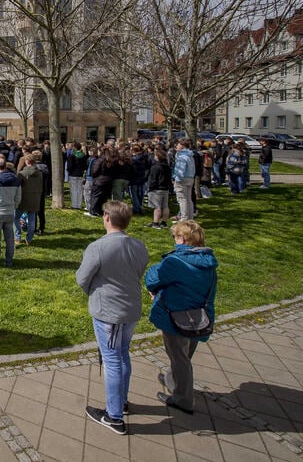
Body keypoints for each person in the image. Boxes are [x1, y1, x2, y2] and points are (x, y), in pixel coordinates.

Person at [76, 200, 150, 435]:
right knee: (121, 353)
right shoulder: (139, 245)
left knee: (112, 360)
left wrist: (96, 291)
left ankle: (114, 415)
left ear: (107, 218)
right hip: (130, 309)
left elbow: (82, 278)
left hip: (111, 312)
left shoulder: (98, 247)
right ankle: (120, 401)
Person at [146, 220, 218, 415]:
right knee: (184, 355)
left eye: (175, 237)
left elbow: (151, 278)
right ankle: (175, 380)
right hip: (199, 317)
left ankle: (183, 399)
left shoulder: (175, 261)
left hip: (176, 315)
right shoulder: (208, 262)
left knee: (179, 357)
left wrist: (157, 271)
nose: (174, 240)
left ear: (183, 239)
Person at [15, 151, 44, 245]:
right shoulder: (39, 173)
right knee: (32, 218)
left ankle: (17, 237)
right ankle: (29, 239)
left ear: (27, 161)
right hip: (35, 197)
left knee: (15, 217)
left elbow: (17, 186)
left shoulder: (22, 174)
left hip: (24, 198)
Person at [147, 149, 172, 228]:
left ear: (157, 156)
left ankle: (156, 223)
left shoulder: (155, 167)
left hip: (156, 189)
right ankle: (164, 222)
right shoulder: (167, 166)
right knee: (165, 206)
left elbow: (153, 179)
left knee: (157, 207)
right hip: (165, 188)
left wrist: (150, 188)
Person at [172, 139, 196, 219]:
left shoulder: (182, 156)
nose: (177, 147)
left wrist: (176, 179)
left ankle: (184, 218)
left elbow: (180, 170)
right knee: (188, 199)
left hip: (182, 179)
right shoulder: (190, 155)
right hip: (190, 178)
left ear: (182, 146)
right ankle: (190, 217)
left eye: (178, 145)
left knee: (182, 199)